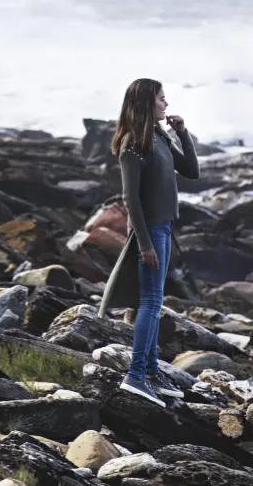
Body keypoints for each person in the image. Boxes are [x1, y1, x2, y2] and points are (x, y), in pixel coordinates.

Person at [98, 78, 199, 407]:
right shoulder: (132, 144)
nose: (166, 104)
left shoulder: (158, 136)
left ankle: (152, 372)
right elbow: (130, 199)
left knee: (154, 302)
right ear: (145, 103)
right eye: (161, 99)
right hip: (150, 231)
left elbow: (191, 171)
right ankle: (136, 376)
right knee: (150, 304)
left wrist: (182, 133)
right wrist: (144, 244)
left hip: (164, 226)